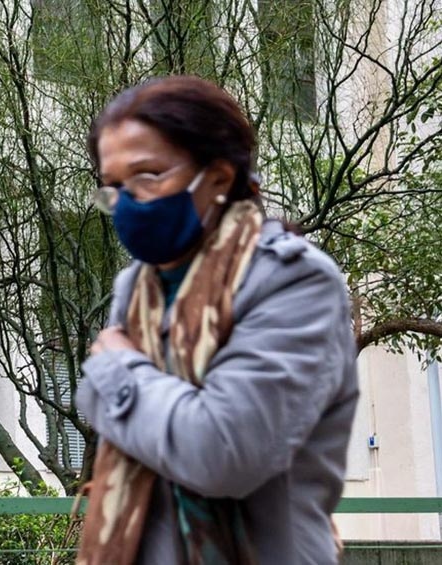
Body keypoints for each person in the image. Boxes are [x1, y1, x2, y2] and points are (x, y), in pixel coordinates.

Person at [74, 76, 358, 564]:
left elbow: (223, 452)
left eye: (147, 177)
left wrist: (116, 369)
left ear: (220, 177)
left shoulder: (294, 282)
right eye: (114, 188)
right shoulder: (137, 286)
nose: (128, 203)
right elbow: (90, 405)